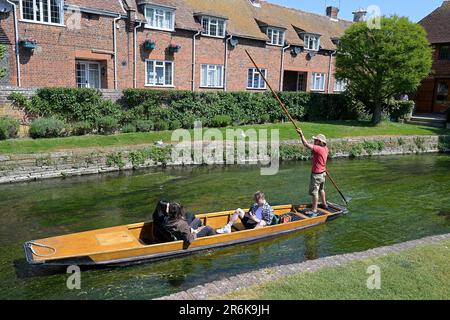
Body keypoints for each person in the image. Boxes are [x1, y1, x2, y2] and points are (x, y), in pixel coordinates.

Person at [297, 128, 329, 217]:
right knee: (321, 189)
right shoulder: (326, 148)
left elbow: (306, 144)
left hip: (317, 175)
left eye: (315, 140)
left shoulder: (318, 149)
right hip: (323, 173)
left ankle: (314, 210)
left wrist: (301, 134)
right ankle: (324, 204)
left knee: (315, 192)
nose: (314, 141)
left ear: (319, 142)